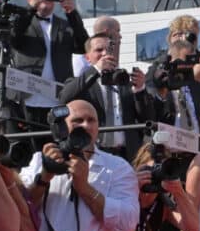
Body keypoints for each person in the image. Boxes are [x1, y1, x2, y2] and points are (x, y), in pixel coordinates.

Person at [17, 100, 139, 231]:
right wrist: (44, 177)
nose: (86, 126)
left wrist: (85, 188)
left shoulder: (117, 167)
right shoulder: (39, 160)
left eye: (92, 120)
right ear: (60, 125)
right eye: (77, 120)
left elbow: (127, 230)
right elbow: (20, 212)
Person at [7, 0, 89, 130]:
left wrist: (72, 13)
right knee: (29, 147)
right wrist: (31, 8)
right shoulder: (21, 21)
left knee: (57, 148)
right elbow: (13, 39)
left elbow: (84, 46)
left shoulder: (64, 25)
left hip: (57, 100)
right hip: (26, 98)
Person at [60, 33, 155, 161]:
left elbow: (148, 118)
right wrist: (96, 69)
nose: (105, 54)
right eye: (99, 50)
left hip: (127, 153)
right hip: (95, 153)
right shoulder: (81, 83)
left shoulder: (126, 81)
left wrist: (140, 89)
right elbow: (64, 97)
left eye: (109, 50)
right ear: (87, 57)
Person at [152, 40, 200, 134]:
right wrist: (162, 93)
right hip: (169, 143)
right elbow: (153, 116)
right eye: (185, 60)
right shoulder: (158, 86)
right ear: (171, 61)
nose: (189, 65)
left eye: (192, 60)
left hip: (197, 144)